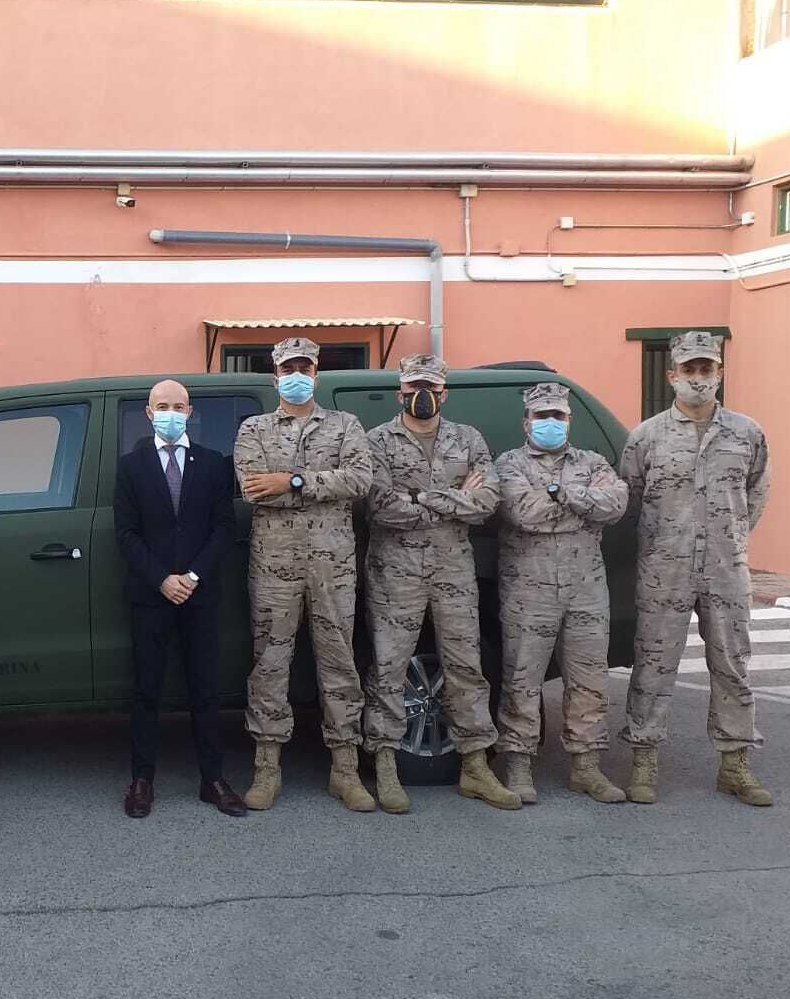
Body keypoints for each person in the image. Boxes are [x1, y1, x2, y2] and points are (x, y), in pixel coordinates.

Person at [363, 353, 521, 812]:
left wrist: (421, 497)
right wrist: (455, 498)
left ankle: (475, 767)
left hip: (453, 571)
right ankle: (387, 767)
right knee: (390, 669)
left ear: (444, 392)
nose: (421, 396)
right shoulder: (378, 442)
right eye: (413, 388)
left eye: (429, 387)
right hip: (395, 573)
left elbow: (488, 502)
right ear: (401, 393)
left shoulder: (467, 439)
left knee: (465, 668)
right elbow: (380, 506)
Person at [620, 331, 772, 806]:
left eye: (707, 369)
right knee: (653, 667)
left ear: (720, 373)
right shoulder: (646, 437)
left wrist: (730, 539)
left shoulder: (747, 433)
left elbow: (756, 495)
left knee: (731, 666)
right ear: (672, 376)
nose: (699, 378)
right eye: (689, 370)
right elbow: (630, 500)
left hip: (726, 570)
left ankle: (735, 765)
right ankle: (643, 762)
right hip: (664, 570)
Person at [234, 336, 374, 812]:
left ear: (317, 373)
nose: (297, 375)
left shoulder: (345, 424)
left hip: (331, 565)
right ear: (275, 376)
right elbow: (254, 488)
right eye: (288, 367)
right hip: (274, 566)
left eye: (305, 367)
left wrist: (291, 481)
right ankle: (267, 767)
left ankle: (346, 769)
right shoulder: (254, 428)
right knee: (270, 664)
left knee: (338, 661)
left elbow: (359, 481)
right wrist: (318, 486)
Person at [113, 379, 245, 818]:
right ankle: (141, 780)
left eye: (179, 406)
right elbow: (126, 534)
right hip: (151, 595)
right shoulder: (131, 467)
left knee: (205, 690)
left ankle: (213, 778)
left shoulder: (213, 465)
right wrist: (161, 580)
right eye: (162, 406)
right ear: (149, 413)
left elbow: (223, 527)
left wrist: (190, 576)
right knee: (146, 690)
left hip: (199, 593)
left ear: (190, 412)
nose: (171, 413)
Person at [493, 382, 629, 804]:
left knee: (589, 679)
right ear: (526, 422)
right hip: (528, 589)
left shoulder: (592, 461)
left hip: (585, 588)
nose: (549, 423)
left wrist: (559, 493)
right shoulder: (509, 464)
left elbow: (617, 503)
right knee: (522, 678)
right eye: (541, 416)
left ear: (569, 420)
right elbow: (522, 512)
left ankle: (586, 767)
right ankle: (518, 764)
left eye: (557, 416)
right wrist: (583, 506)